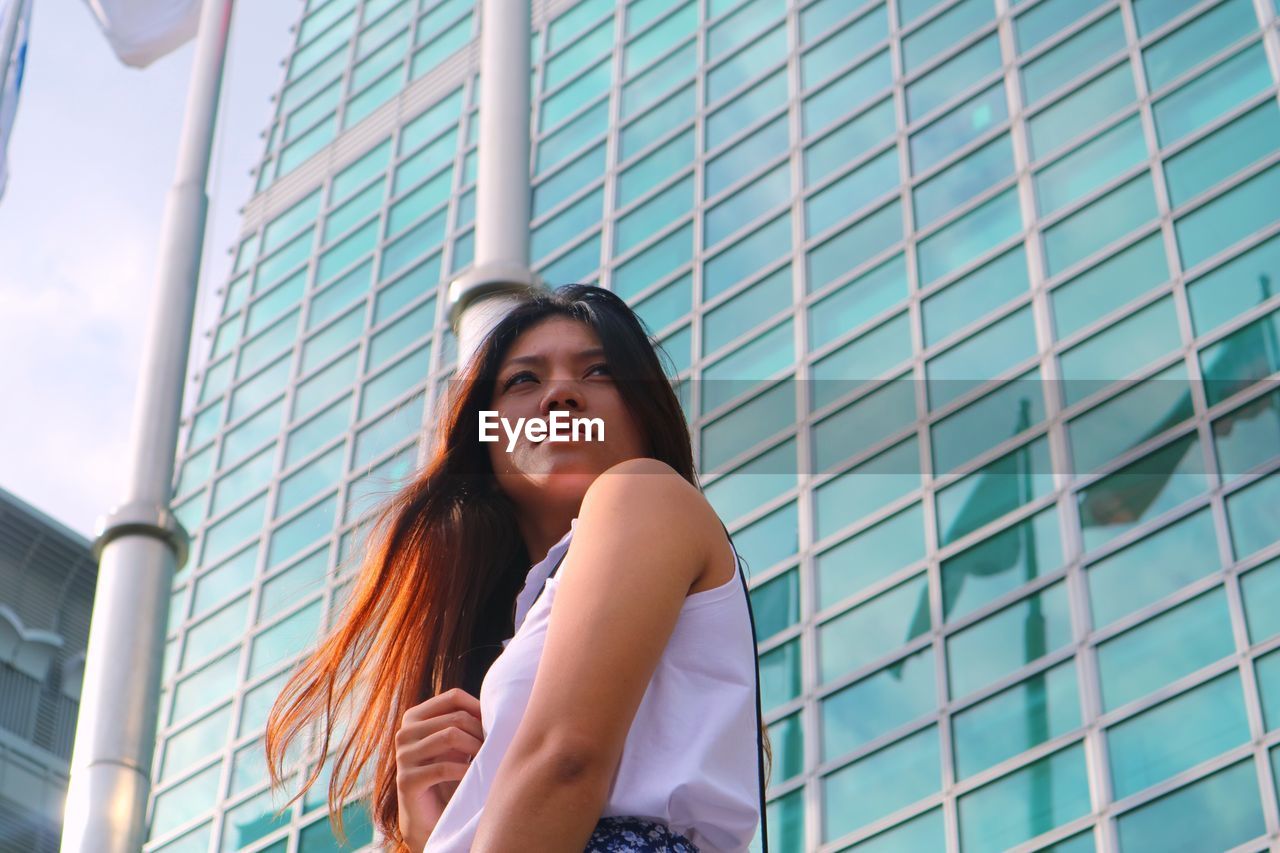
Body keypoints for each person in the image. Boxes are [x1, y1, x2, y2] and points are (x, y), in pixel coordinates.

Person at [264, 284, 771, 852]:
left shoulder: (645, 491)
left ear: (645, 418)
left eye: (599, 372)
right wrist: (434, 830)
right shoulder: (509, 630)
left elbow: (567, 760)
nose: (560, 396)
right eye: (523, 381)